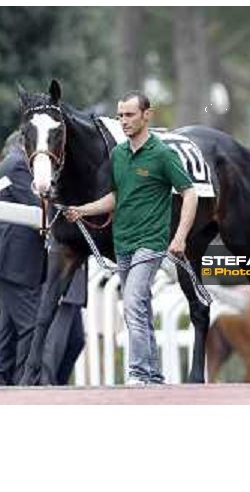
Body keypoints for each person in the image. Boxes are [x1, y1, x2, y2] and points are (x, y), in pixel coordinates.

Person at [65, 91, 198, 385]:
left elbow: (189, 193)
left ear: (146, 115)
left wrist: (180, 237)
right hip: (122, 242)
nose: (123, 121)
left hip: (151, 242)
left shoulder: (162, 154)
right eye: (120, 115)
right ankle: (152, 375)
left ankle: (138, 372)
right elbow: (115, 196)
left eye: (129, 115)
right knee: (140, 305)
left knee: (133, 300)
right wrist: (82, 210)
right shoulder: (119, 155)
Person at [0, 137, 47, 385]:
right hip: (16, 260)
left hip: (12, 259)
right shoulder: (19, 165)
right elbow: (39, 208)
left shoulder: (15, 162)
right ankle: (27, 381)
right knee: (31, 324)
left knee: (6, 329)